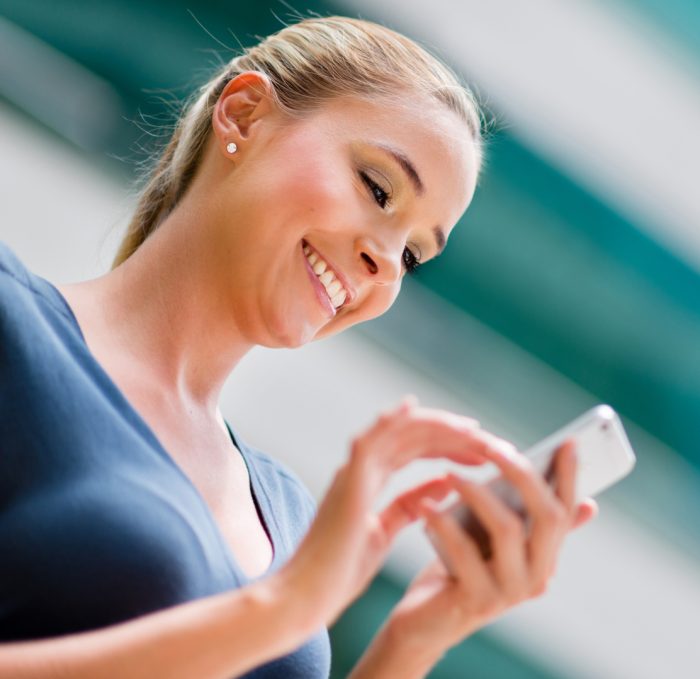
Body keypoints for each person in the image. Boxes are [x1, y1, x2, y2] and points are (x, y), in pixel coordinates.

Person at [0, 15, 597, 679]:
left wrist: (416, 639)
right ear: (245, 114)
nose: (387, 262)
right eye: (377, 188)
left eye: (415, 253)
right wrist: (278, 609)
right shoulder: (14, 324)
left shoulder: (290, 514)